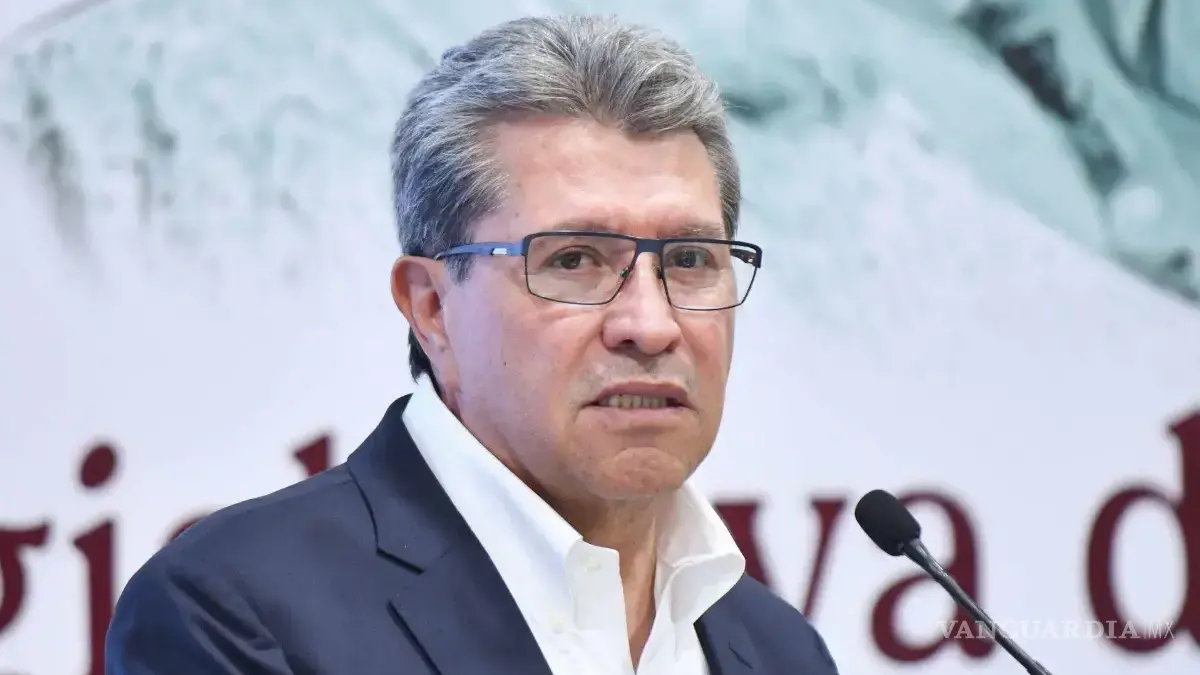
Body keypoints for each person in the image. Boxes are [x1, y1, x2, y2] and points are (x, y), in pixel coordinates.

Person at [105, 14, 840, 675]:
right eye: (574, 260)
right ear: (431, 307)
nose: (651, 325)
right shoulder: (238, 614)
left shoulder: (781, 650)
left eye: (689, 259)